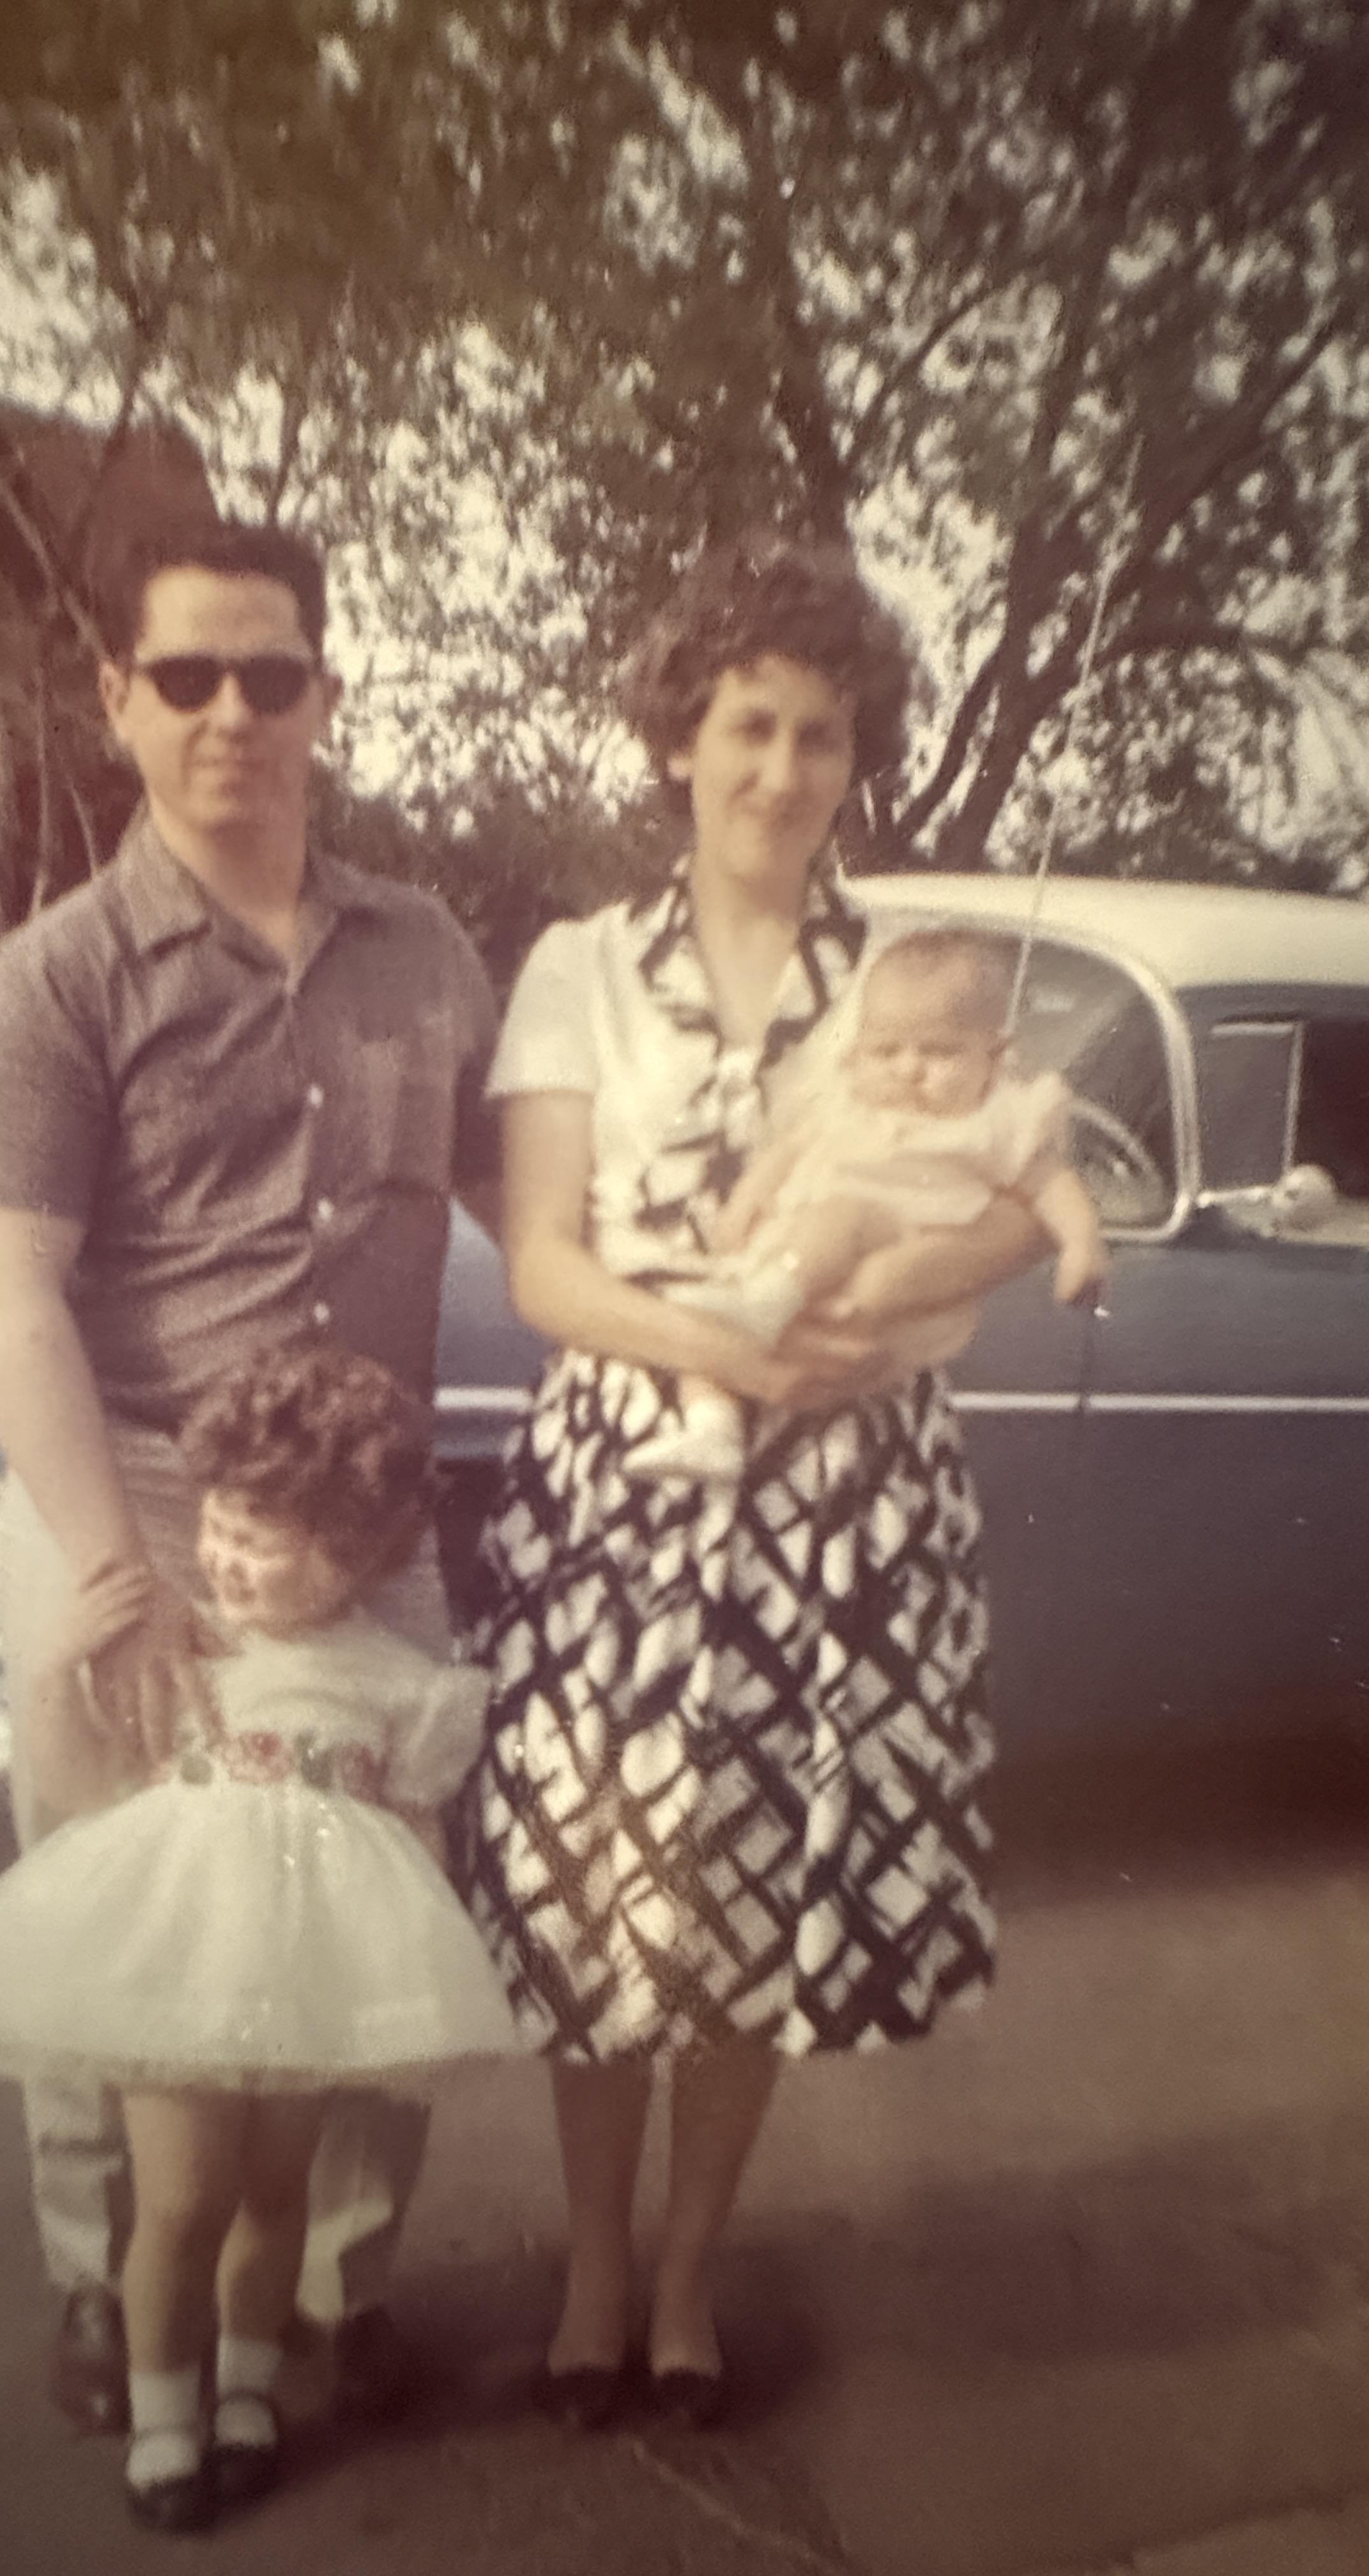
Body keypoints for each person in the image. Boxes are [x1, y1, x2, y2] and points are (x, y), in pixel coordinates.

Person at [450, 526, 1053, 2434]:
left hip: (842, 1495)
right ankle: (595, 2266)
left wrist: (877, 1308)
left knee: (749, 1891)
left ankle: (693, 2273)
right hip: (630, 1480)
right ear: (680, 739)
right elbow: (543, 1261)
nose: (784, 769)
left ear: (854, 757)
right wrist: (721, 1346)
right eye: (750, 725)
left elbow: (1023, 1206)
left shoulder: (911, 971)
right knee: (606, 1891)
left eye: (821, 732)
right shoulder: (576, 972)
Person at [0, 512, 499, 2437]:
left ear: (326, 695)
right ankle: (111, 2291)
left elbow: (539, 1192)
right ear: (119, 700)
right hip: (146, 1498)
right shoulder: (57, 978)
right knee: (122, 1916)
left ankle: (332, 2290)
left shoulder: (425, 952)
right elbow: (8, 1285)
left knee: (375, 1903)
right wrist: (113, 1568)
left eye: (274, 675)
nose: (234, 713)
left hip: (372, 1526)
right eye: (187, 676)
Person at [0, 1340, 519, 2532]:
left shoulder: (400, 1679)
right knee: (179, 2200)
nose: (221, 1557)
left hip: (306, 1974)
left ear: (346, 1555)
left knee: (277, 2190)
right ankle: (163, 2411)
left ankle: (244, 2391)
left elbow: (414, 1834)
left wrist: (415, 1971)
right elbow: (89, 1795)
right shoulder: (186, 1650)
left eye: (257, 1539)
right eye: (219, 1526)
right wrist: (51, 1678)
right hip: (180, 1959)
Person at [630, 921, 1109, 1480]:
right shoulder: (848, 1101)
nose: (909, 1068)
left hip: (889, 1239)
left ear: (994, 1055)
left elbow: (1050, 1184)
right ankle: (712, 1428)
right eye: (887, 1051)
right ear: (859, 1051)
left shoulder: (997, 1119)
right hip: (792, 1257)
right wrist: (745, 1205)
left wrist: (1082, 1242)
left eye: (939, 1052)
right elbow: (785, 1154)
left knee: (843, 1215)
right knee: (708, 1332)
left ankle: (767, 1302)